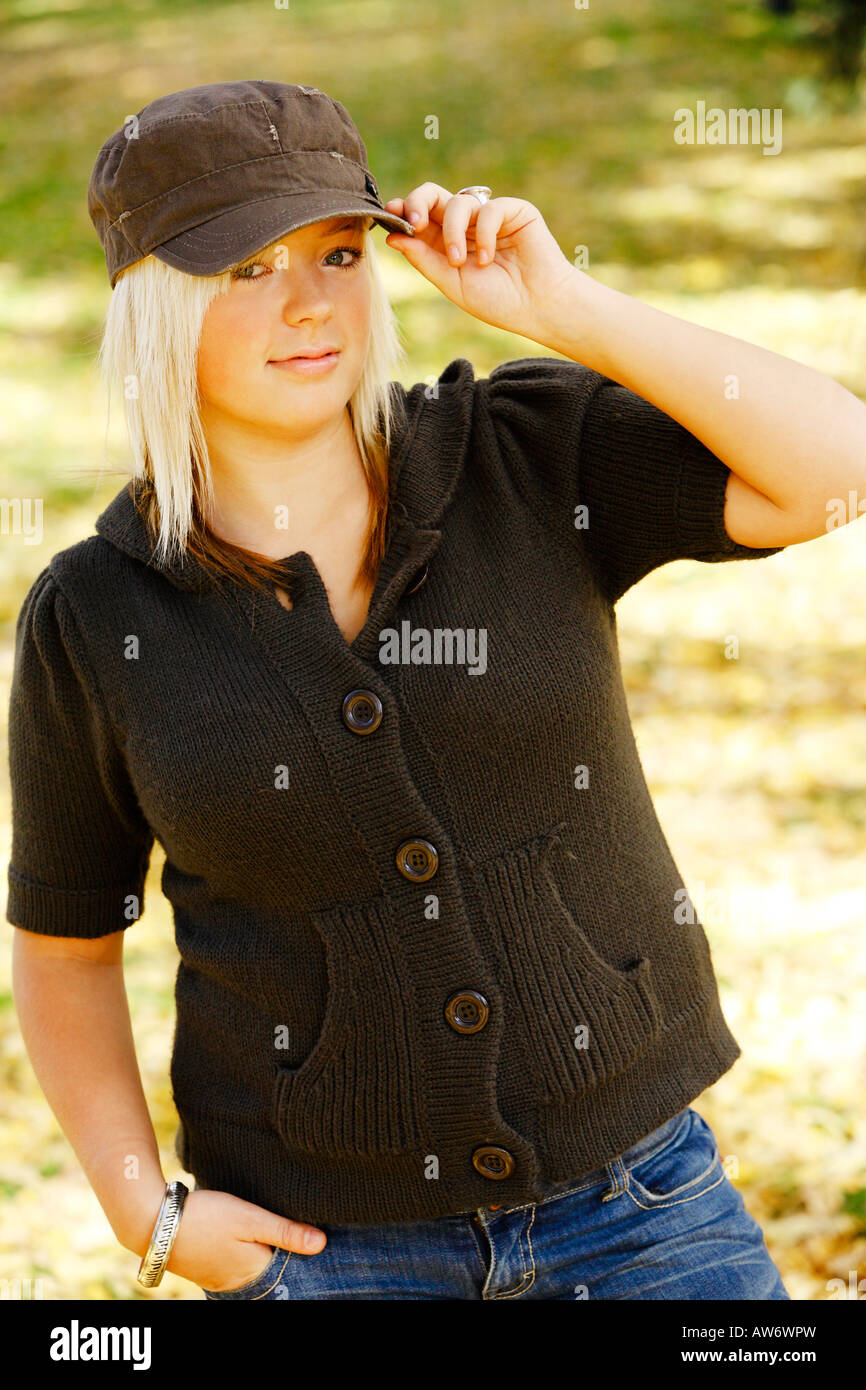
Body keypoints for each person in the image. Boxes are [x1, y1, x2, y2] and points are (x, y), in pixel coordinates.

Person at [7, 80, 865, 1302]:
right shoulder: (97, 616)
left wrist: (565, 306)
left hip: (639, 1214)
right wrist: (139, 1202)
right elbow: (65, 945)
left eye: (339, 252)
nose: (309, 302)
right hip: (324, 1255)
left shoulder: (518, 458)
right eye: (245, 269)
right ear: (151, 305)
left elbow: (838, 470)